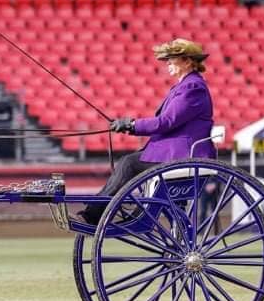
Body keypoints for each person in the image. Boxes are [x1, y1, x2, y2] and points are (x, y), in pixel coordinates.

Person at [78, 38, 216, 225]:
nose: (167, 63)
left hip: (184, 155)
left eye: (172, 58)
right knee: (133, 160)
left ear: (187, 61)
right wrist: (130, 125)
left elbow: (166, 122)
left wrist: (131, 125)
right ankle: (133, 215)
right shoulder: (186, 85)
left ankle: (94, 213)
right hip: (175, 152)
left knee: (129, 163)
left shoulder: (192, 87)